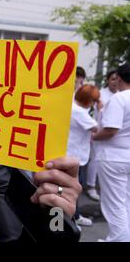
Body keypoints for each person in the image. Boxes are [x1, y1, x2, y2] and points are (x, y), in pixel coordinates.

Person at [93, 62, 130, 242]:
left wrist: (93, 137)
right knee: (127, 202)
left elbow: (111, 130)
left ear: (120, 79)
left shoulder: (119, 98)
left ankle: (119, 239)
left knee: (114, 205)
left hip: (114, 158)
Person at [66, 84, 99, 229]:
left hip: (70, 154)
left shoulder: (72, 104)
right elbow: (97, 128)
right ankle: (69, 220)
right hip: (74, 157)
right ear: (89, 101)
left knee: (69, 189)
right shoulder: (79, 112)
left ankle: (73, 216)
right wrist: (100, 109)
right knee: (70, 190)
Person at [87, 70, 119, 201]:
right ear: (107, 80)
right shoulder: (100, 94)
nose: (115, 82)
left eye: (117, 79)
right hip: (99, 130)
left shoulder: (120, 95)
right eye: (112, 79)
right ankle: (91, 186)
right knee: (95, 159)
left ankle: (103, 186)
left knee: (109, 159)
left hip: (115, 133)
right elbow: (100, 111)